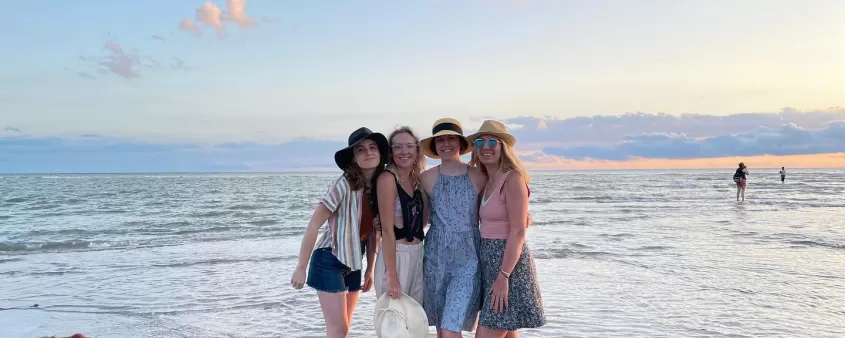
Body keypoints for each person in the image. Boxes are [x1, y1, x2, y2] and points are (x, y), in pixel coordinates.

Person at [289, 127, 389, 338]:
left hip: (353, 263)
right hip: (329, 260)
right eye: (360, 149)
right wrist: (300, 267)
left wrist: (370, 269)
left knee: (343, 329)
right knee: (338, 329)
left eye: (372, 147)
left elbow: (373, 235)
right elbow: (313, 224)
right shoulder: (344, 184)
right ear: (353, 158)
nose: (368, 152)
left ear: (380, 154)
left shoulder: (380, 188)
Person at [468, 120, 546, 338]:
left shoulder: (512, 178)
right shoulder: (486, 180)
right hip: (489, 262)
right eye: (480, 142)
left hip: (508, 265)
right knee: (508, 332)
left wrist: (504, 276)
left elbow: (518, 231)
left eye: (492, 141)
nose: (486, 147)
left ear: (503, 147)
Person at [419, 118, 487, 338]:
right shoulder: (426, 178)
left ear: (460, 143)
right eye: (440, 140)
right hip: (435, 256)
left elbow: (494, 210)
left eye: (451, 138)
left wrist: (523, 217)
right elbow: (421, 220)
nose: (445, 144)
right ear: (434, 145)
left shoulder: (478, 175)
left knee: (450, 326)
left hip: (469, 257)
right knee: (441, 326)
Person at [374, 126, 428, 306]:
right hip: (395, 256)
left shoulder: (417, 179)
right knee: (393, 321)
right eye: (398, 147)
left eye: (409, 146)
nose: (404, 152)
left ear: (417, 150)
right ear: (391, 151)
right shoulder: (387, 179)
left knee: (414, 322)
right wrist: (392, 276)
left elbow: (424, 221)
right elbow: (387, 231)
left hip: (417, 254)